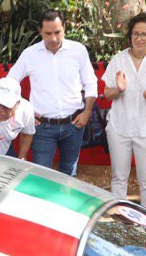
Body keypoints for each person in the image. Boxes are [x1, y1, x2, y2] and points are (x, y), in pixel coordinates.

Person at [7, 10, 98, 177]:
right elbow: (9, 82)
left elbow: (91, 83)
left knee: (69, 175)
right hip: (42, 127)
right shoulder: (30, 54)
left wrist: (87, 112)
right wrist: (23, 111)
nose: (54, 38)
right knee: (42, 177)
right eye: (48, 33)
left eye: (57, 32)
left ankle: (67, 204)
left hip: (74, 124)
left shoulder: (78, 51)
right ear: (40, 31)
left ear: (64, 28)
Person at [102, 14, 146, 213]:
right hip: (119, 127)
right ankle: (117, 225)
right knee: (118, 178)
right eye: (135, 34)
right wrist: (119, 90)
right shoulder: (118, 59)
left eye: (144, 34)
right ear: (130, 35)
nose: (139, 38)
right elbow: (107, 93)